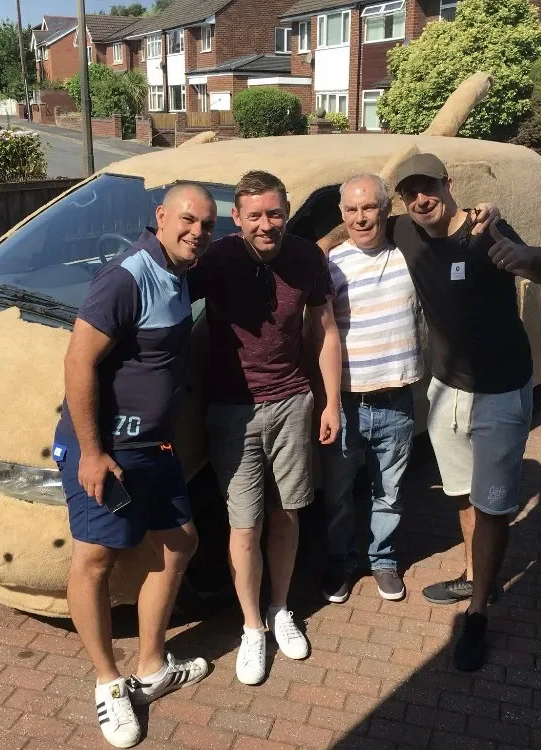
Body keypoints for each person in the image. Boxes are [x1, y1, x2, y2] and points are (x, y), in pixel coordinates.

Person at [55, 183, 219, 747]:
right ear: (161, 218)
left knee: (179, 545)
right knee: (95, 559)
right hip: (109, 449)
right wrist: (93, 452)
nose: (197, 231)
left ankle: (150, 667)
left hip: (156, 449)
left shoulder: (178, 271)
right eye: (187, 219)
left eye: (207, 224)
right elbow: (79, 361)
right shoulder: (128, 275)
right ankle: (107, 683)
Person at [387, 153, 541, 672]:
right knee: (461, 491)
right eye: (410, 192)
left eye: (429, 187)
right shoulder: (407, 230)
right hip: (447, 390)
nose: (421, 199)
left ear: (449, 184)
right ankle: (472, 570)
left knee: (493, 504)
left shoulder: (488, 228)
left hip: (501, 389)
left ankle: (479, 611)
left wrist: (522, 257)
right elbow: (356, 218)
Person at [319, 174, 504, 604]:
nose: (361, 218)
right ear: (341, 214)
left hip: (397, 401)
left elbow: (447, 225)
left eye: (370, 208)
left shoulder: (411, 255)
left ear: (386, 210)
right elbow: (318, 334)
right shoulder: (328, 264)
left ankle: (382, 560)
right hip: (346, 401)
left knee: (390, 493)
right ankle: (342, 562)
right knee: (339, 496)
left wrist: (484, 210)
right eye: (352, 210)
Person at [188, 170, 342, 686]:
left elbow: (323, 330)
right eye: (254, 215)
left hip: (293, 403)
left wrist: (330, 403)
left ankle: (280, 609)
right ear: (238, 217)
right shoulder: (216, 260)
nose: (266, 224)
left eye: (274, 213)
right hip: (233, 411)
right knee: (244, 524)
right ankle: (252, 626)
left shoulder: (306, 259)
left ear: (286, 211)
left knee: (288, 515)